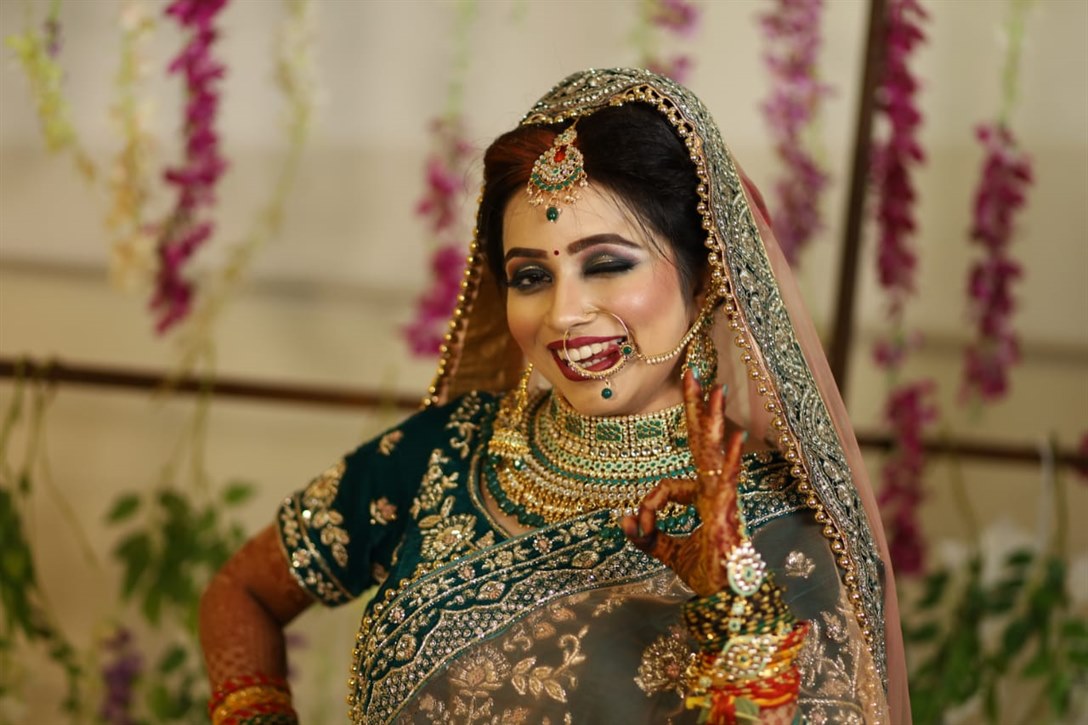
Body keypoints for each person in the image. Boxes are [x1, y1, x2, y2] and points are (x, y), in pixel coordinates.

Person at [200, 68, 910, 724]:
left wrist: (736, 602)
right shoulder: (447, 452)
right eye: (531, 277)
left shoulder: (783, 528)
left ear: (706, 279)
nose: (564, 313)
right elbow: (242, 593)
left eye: (607, 264)